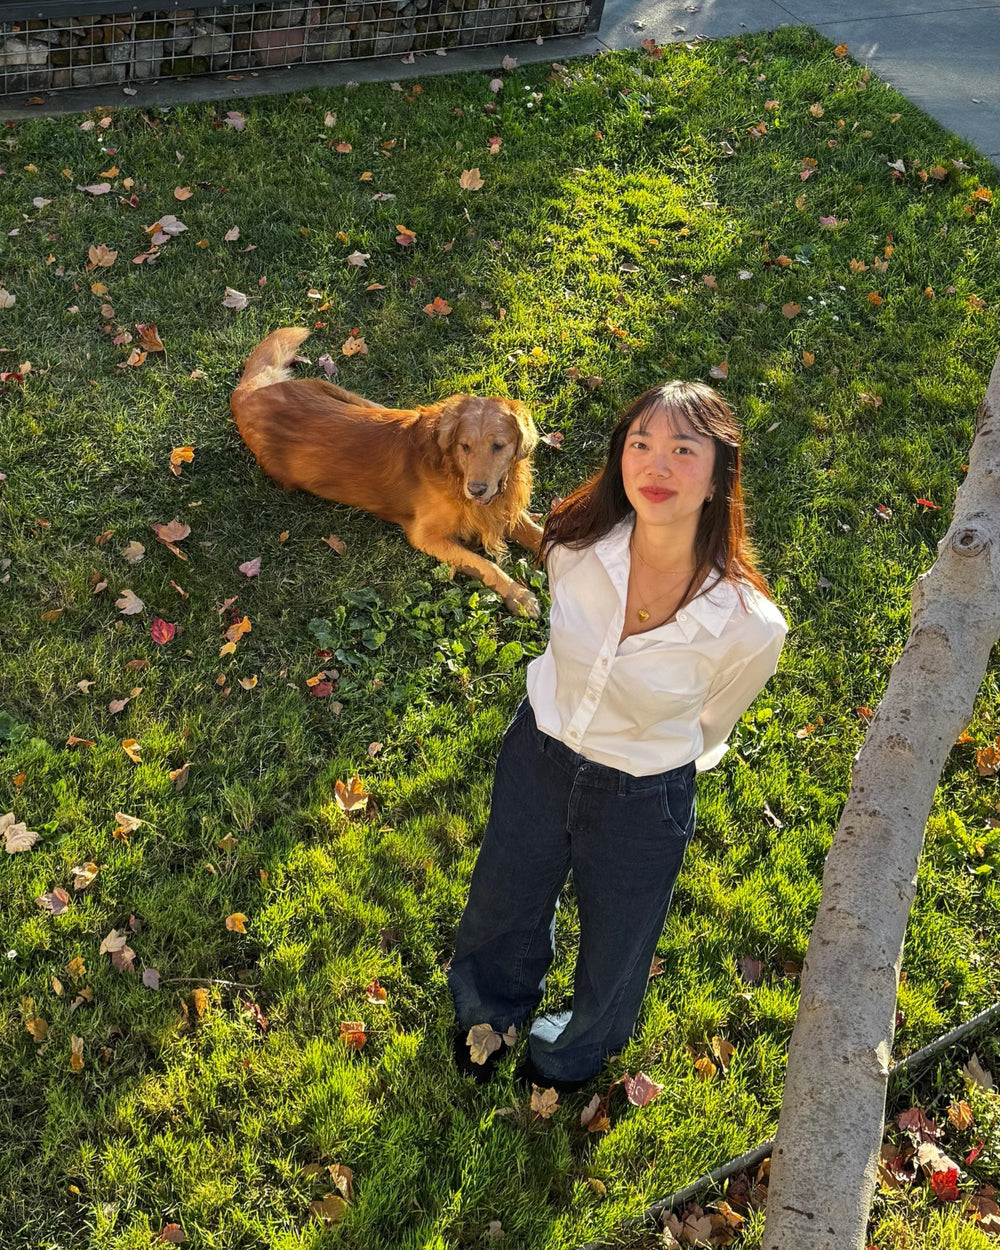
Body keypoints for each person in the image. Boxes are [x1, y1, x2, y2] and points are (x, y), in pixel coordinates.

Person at [447, 381, 789, 1092]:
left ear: (719, 472)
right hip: (538, 756)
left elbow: (715, 720)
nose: (655, 465)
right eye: (641, 444)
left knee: (617, 945)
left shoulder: (748, 625)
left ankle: (569, 1057)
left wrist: (649, 755)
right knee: (502, 903)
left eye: (681, 450)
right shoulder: (575, 548)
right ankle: (488, 1010)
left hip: (643, 796)